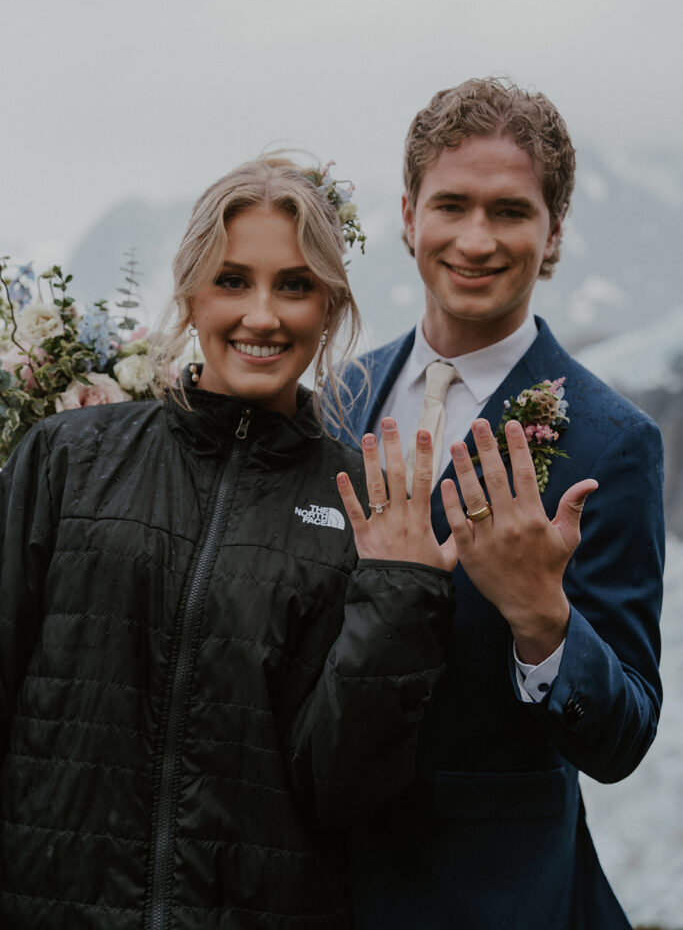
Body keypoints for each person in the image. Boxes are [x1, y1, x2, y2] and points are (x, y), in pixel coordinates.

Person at [0, 157, 469, 929]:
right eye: (231, 281)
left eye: (293, 285)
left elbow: (341, 791)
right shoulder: (66, 460)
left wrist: (400, 593)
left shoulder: (364, 507)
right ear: (188, 292)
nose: (262, 315)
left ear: (329, 306)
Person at [334, 79, 665, 929]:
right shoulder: (339, 395)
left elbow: (621, 737)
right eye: (451, 204)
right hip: (322, 878)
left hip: (497, 895)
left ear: (551, 233)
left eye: (510, 211)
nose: (475, 239)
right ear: (408, 215)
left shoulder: (612, 439)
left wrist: (542, 620)